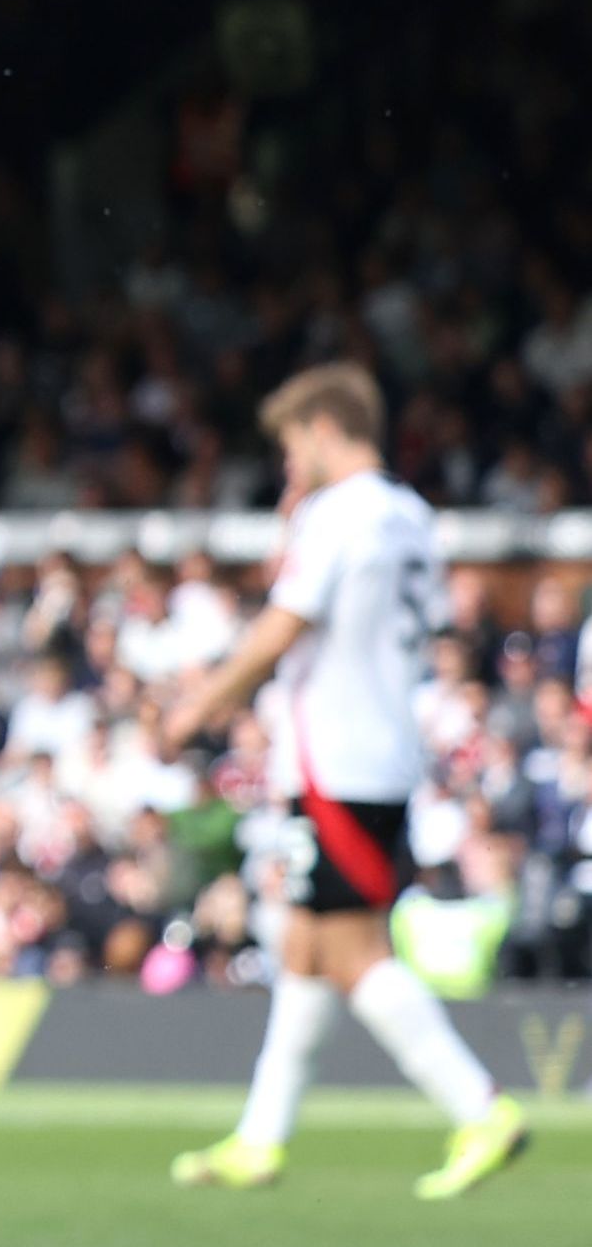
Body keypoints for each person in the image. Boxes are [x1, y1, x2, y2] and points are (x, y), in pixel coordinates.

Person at [163, 362, 535, 1200]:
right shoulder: (410, 515)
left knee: (350, 951)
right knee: (303, 946)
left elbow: (279, 632)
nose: (291, 463)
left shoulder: (338, 515)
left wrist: (195, 708)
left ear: (325, 430)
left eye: (295, 444)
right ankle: (261, 1137)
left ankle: (479, 1108)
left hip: (335, 764)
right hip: (379, 754)